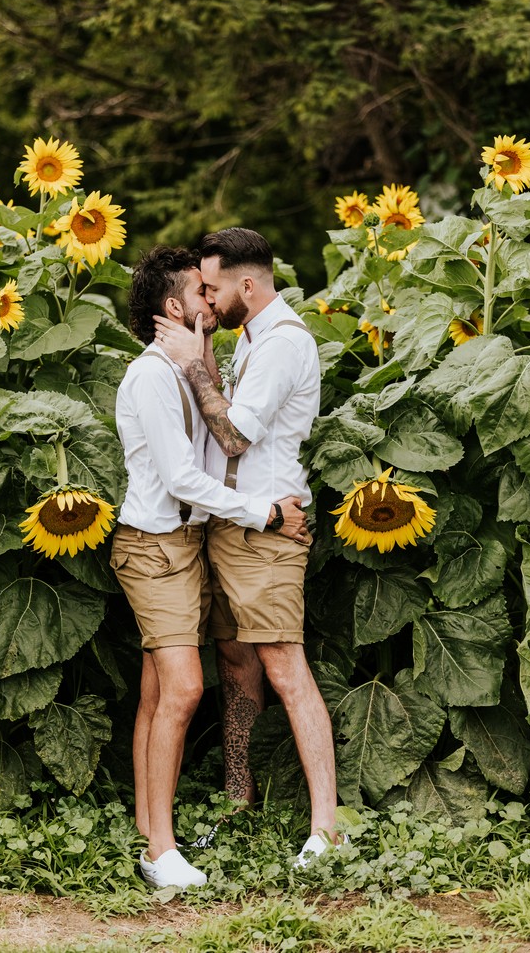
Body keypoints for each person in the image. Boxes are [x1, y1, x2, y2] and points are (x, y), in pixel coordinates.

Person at [111, 245, 309, 890]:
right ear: (176, 306)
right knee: (186, 689)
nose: (212, 300)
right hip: (155, 547)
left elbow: (225, 434)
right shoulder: (150, 377)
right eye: (201, 292)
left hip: (181, 547)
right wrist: (266, 513)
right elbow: (183, 478)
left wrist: (202, 361)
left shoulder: (185, 370)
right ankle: (161, 853)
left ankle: (149, 828)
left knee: (156, 693)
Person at [153, 227, 344, 866]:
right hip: (231, 525)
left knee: (286, 668)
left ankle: (325, 829)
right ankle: (240, 801)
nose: (203, 298)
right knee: (236, 664)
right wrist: (202, 347)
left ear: (245, 284)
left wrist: (186, 361)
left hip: (267, 530)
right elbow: (225, 412)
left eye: (210, 287)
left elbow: (232, 436)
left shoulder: (285, 344)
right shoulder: (249, 339)